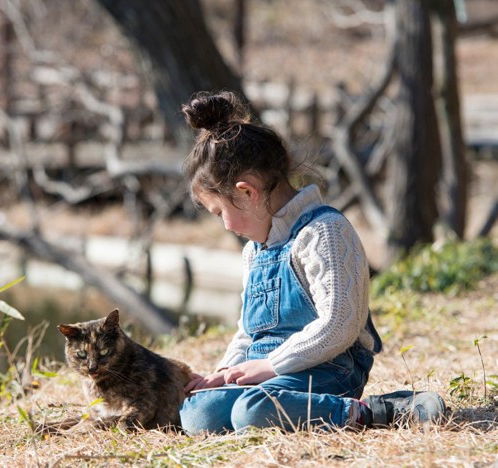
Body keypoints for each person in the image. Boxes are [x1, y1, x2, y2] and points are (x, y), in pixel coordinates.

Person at [178, 90, 445, 433]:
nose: (225, 225)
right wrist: (224, 372)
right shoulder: (254, 252)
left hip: (328, 367)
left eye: (220, 212)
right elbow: (248, 333)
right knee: (199, 414)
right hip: (270, 374)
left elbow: (339, 324)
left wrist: (271, 366)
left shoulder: (323, 232)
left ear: (247, 192)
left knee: (252, 411)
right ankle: (270, 405)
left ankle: (378, 411)